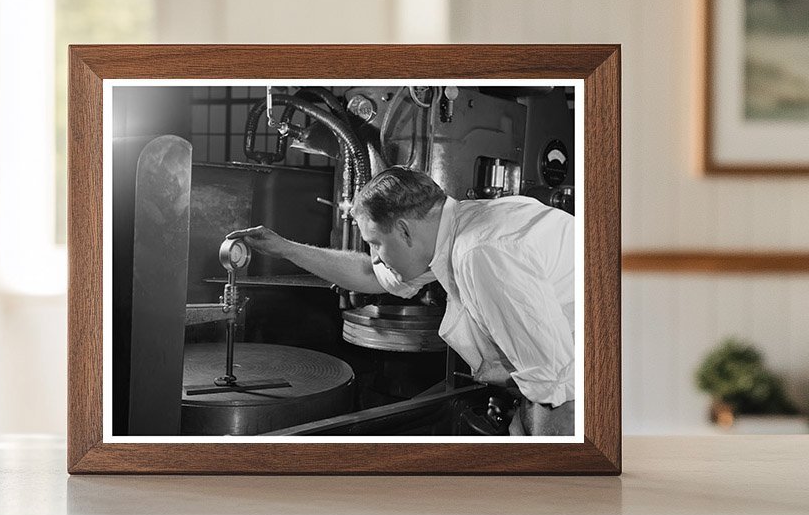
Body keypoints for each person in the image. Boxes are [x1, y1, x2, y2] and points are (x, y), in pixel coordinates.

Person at [227, 166, 576, 436]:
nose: (375, 255)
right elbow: (370, 275)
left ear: (406, 230)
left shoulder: (480, 250)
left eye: (376, 243)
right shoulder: (451, 230)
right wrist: (282, 248)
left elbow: (556, 388)